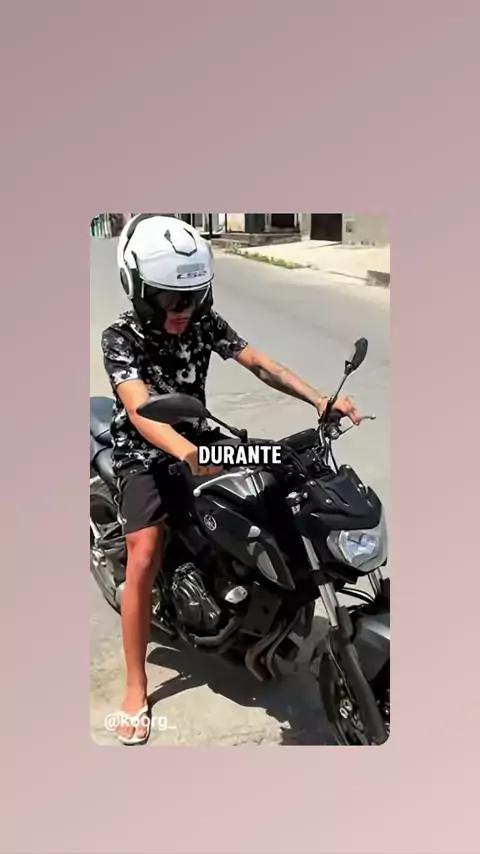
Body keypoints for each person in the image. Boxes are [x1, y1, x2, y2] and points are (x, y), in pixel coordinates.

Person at [101, 214, 361, 744]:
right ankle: (135, 686)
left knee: (275, 494)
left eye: (193, 296)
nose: (184, 309)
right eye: (170, 299)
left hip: (201, 440)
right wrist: (186, 452)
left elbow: (259, 363)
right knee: (144, 554)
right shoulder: (120, 339)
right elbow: (141, 408)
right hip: (143, 452)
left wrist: (319, 399)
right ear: (141, 293)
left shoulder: (203, 322)